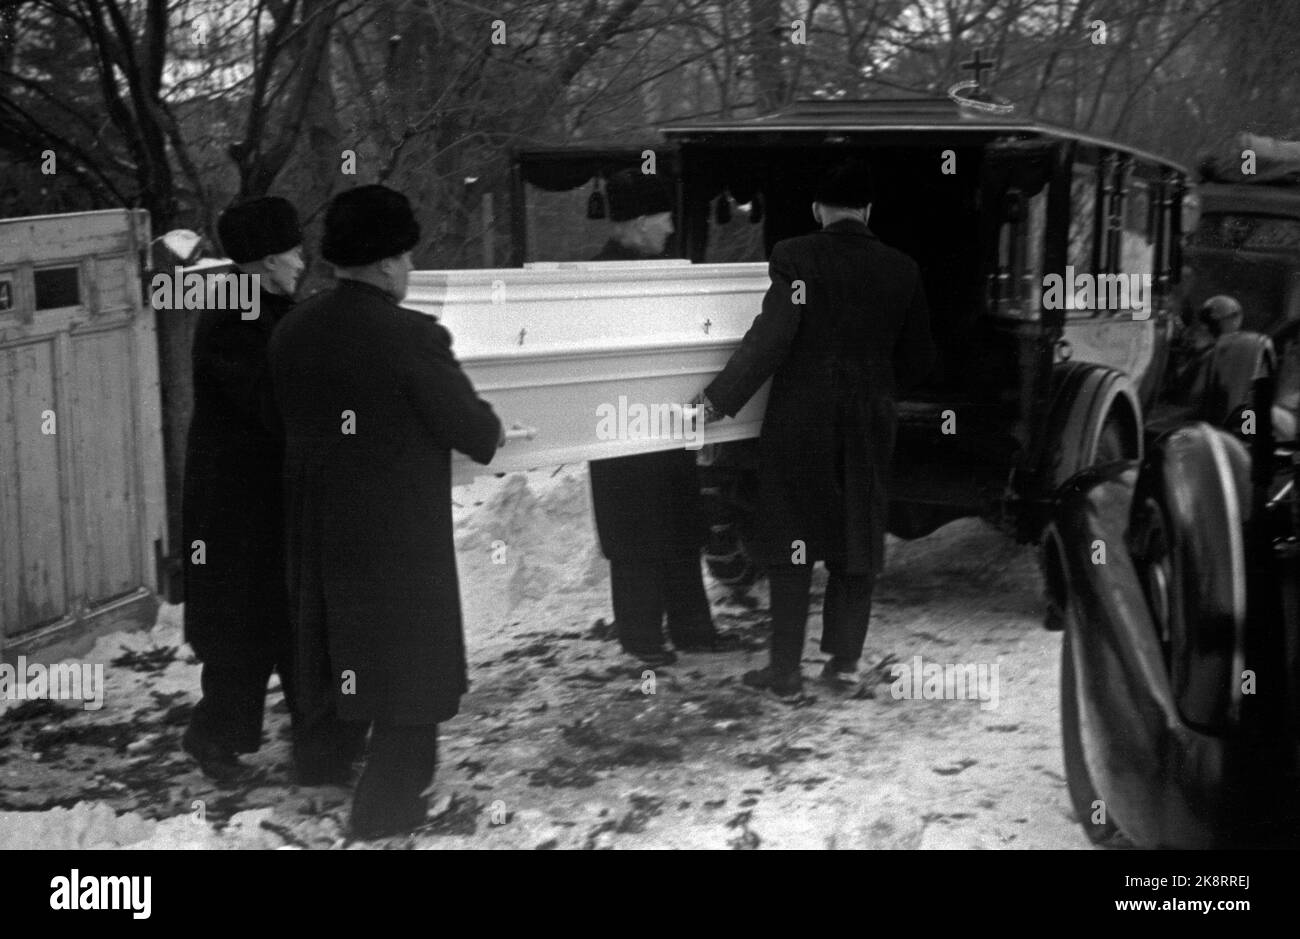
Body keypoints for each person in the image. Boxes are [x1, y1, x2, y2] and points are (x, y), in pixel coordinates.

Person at [267, 185, 503, 839]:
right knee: (409, 686)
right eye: (406, 256)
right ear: (387, 262)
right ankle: (382, 820)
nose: (410, 269)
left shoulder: (292, 329)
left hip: (315, 535)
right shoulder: (410, 336)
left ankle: (325, 771)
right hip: (395, 545)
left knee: (337, 665)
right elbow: (476, 433)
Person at [698, 158, 936, 698]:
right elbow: (920, 358)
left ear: (816, 210)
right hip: (869, 422)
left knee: (793, 540)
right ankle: (844, 667)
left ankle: (784, 672)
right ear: (868, 210)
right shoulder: (902, 269)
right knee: (857, 541)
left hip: (802, 421)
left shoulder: (795, 258)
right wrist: (876, 383)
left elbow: (773, 336)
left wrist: (718, 399)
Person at [181, 196, 305, 783]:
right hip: (238, 509)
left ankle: (315, 731)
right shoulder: (240, 319)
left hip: (256, 501)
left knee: (275, 619)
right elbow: (269, 407)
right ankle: (213, 739)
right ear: (263, 261)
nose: (302, 261)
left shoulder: (255, 306)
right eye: (291, 252)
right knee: (243, 629)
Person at [587, 167, 720, 667]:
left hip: (666, 419)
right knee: (635, 530)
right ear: (640, 221)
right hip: (619, 421)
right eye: (663, 218)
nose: (669, 228)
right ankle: (641, 636)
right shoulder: (593, 281)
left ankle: (692, 628)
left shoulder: (668, 271)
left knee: (680, 523)